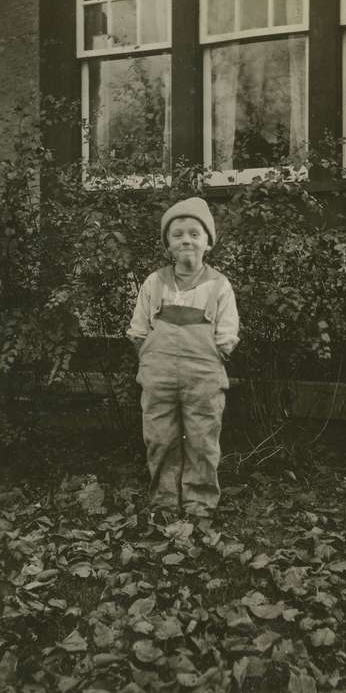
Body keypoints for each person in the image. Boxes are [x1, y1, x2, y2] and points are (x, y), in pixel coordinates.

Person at [126, 197, 239, 518]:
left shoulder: (219, 286)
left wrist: (216, 351)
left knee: (202, 439)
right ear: (167, 245)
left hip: (203, 379)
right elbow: (138, 330)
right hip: (158, 378)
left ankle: (199, 502)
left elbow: (228, 332)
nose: (186, 240)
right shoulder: (154, 283)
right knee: (160, 439)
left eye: (194, 233)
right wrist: (151, 362)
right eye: (177, 235)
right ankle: (164, 501)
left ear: (208, 243)